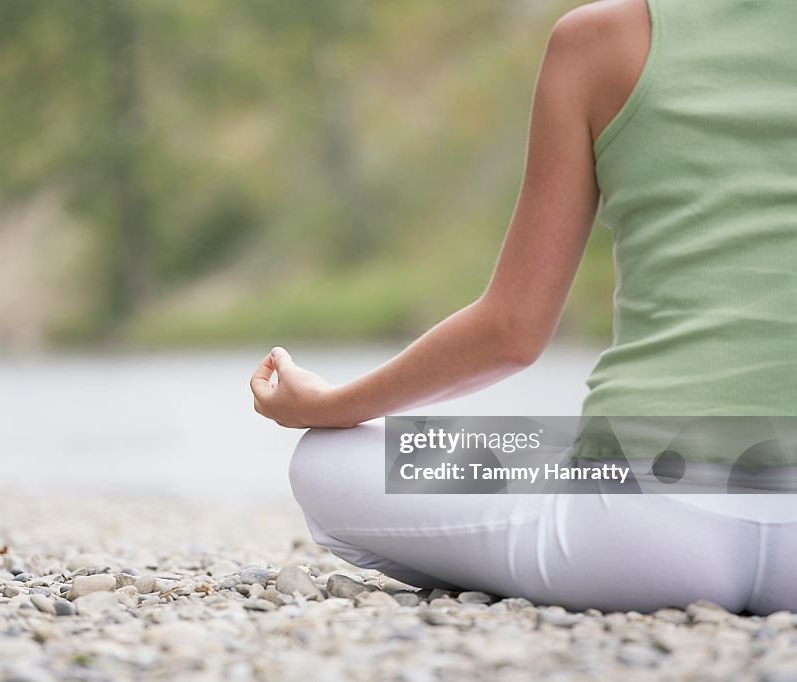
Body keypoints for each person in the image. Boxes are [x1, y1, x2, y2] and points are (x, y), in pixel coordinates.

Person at [249, 0, 797, 615]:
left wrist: (327, 405)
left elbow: (511, 332)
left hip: (642, 523)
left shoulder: (602, 39)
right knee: (560, 454)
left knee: (328, 460)